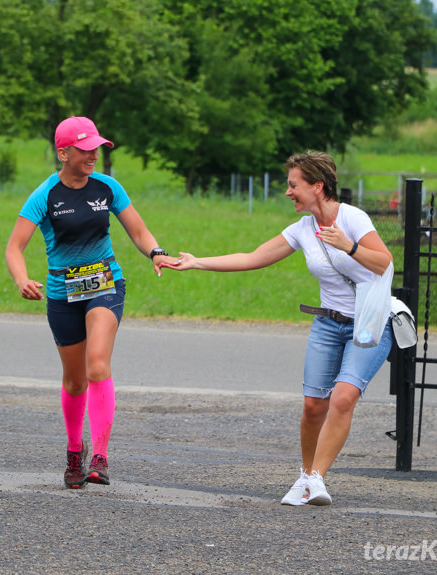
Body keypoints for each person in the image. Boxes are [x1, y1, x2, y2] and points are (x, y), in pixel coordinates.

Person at [163, 150, 393, 506]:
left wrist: (348, 245)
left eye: (293, 185)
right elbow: (252, 257)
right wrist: (197, 263)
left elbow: (384, 262)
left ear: (318, 186)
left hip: (368, 324)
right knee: (313, 404)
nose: (288, 192)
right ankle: (305, 478)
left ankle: (317, 478)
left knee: (344, 397)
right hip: (327, 324)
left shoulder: (353, 218)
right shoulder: (302, 230)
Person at [5, 116, 178, 489]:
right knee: (74, 379)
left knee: (98, 363)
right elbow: (14, 248)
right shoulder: (45, 195)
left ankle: (100, 455)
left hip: (104, 283)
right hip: (61, 292)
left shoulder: (108, 187)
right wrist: (22, 279)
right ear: (63, 152)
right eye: (85, 150)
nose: (93, 155)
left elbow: (138, 230)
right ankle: (74, 451)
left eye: (96, 148)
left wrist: (156, 253)